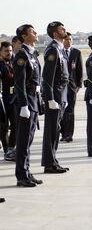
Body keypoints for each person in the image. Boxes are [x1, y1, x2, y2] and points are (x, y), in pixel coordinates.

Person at [13, 24, 44, 187]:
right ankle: (21, 175)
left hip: (33, 100)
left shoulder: (32, 54)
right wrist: (23, 105)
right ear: (24, 36)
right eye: (32, 32)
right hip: (26, 102)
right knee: (23, 140)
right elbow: (19, 83)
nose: (36, 33)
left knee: (29, 140)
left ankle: (26, 170)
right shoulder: (22, 55)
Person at [41, 21, 70, 174]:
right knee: (51, 129)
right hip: (56, 93)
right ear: (54, 33)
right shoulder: (53, 50)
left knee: (56, 129)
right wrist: (50, 98)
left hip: (62, 92)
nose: (64, 30)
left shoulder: (60, 49)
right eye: (61, 29)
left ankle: (53, 160)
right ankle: (49, 163)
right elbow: (47, 77)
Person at [60, 32, 83, 143]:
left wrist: (79, 84)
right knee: (61, 110)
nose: (68, 41)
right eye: (66, 39)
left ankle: (69, 134)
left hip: (72, 86)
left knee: (70, 110)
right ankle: (63, 132)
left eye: (70, 39)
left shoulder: (76, 52)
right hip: (60, 87)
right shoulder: (58, 52)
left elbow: (79, 69)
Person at [0, 41, 16, 161]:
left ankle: (11, 148)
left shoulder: (13, 62)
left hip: (13, 98)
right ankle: (6, 151)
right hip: (2, 98)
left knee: (16, 124)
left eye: (10, 50)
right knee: (3, 127)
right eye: (6, 51)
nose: (9, 53)